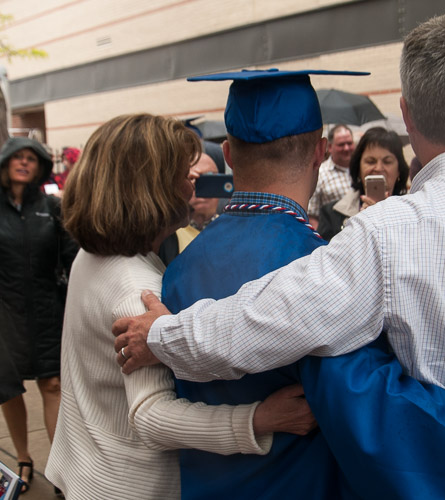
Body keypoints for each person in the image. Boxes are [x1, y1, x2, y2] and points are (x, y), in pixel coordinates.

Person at [116, 67, 445, 500]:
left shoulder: (177, 264)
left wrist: (162, 334)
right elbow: (382, 415)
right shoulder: (326, 264)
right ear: (321, 151)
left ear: (231, 154)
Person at [45, 114, 316, 500]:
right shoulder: (138, 290)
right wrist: (258, 419)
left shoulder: (92, 256)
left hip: (87, 469)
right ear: (147, 185)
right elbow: (151, 417)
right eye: (179, 170)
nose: (192, 179)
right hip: (130, 485)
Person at [0, 137, 78, 494]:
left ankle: (61, 468)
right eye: (17, 157)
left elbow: (73, 259)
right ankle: (23, 457)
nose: (24, 162)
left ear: (41, 167)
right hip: (4, 316)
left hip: (48, 311)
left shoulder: (52, 207)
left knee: (53, 385)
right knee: (9, 390)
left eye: (31, 158)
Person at [318, 126, 409, 240]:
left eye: (387, 161)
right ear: (358, 168)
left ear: (399, 169)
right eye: (370, 161)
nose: (378, 168)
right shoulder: (331, 214)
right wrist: (361, 223)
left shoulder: (412, 213)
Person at [307, 124, 354, 227]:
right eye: (341, 144)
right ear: (330, 147)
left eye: (349, 143)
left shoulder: (361, 170)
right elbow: (312, 216)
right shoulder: (320, 174)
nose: (346, 148)